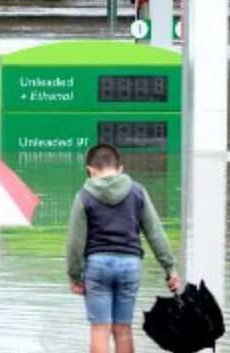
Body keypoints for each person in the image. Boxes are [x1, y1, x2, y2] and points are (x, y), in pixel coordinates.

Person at [67, 143, 182, 353]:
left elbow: (75, 242)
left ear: (91, 170)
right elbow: (155, 233)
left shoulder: (83, 196)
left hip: (97, 265)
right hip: (130, 264)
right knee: (123, 329)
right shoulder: (138, 192)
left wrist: (75, 276)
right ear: (120, 169)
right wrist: (170, 268)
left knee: (100, 329)